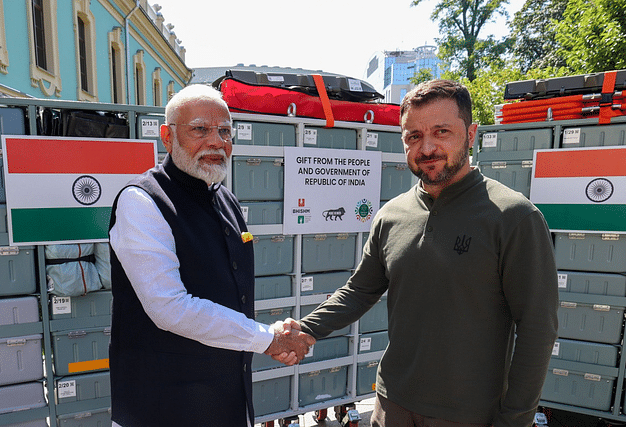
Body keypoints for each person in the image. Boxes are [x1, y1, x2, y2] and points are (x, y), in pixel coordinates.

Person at [293, 80, 559, 427]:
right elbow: (359, 290)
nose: (427, 147)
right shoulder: (392, 215)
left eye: (441, 131)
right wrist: (304, 330)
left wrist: (514, 419)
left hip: (469, 415)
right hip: (391, 406)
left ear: (471, 134)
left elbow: (538, 328)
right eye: (413, 136)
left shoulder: (514, 217)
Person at [108, 84, 315, 427]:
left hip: (226, 402)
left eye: (224, 131)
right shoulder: (142, 202)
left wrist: (270, 333)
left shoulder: (225, 199)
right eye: (200, 129)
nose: (217, 142)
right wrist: (269, 339)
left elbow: (224, 293)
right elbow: (170, 308)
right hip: (160, 409)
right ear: (167, 136)